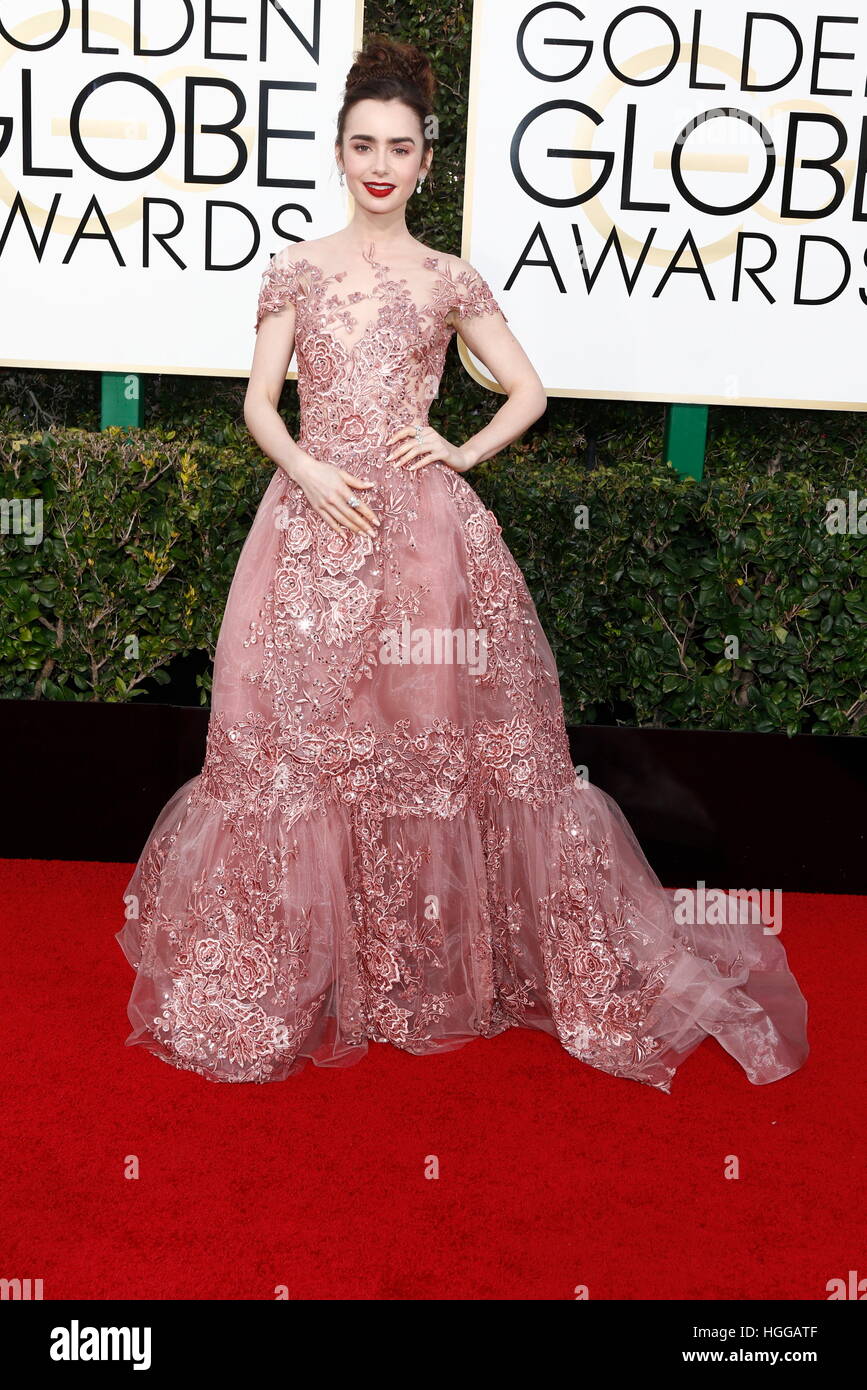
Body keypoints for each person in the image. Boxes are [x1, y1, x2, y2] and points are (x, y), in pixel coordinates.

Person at [115, 35, 809, 1092]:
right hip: (312, 523)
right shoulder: (298, 266)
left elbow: (527, 390)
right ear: (339, 154)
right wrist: (306, 469)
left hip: (425, 535)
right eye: (362, 145)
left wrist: (458, 447)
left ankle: (411, 965)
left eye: (399, 146)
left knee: (426, 739)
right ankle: (306, 965)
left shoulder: (449, 278)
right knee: (305, 744)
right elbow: (259, 400)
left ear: (428, 160)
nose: (380, 163)